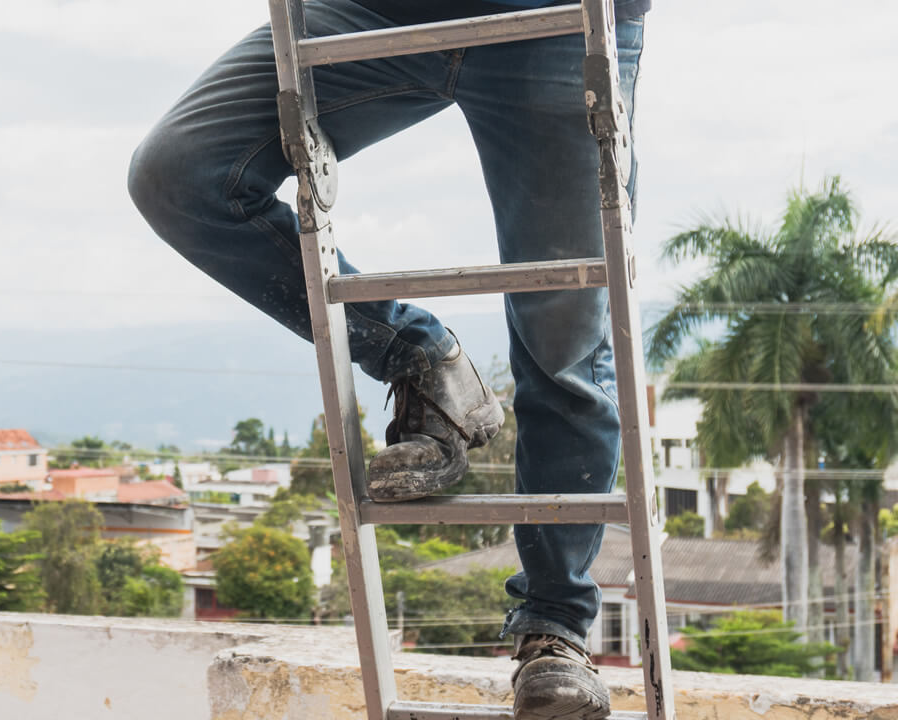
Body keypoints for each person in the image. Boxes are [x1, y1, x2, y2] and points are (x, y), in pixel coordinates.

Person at [127, 1, 648, 718]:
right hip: (373, 10)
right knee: (181, 173)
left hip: (556, 18)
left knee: (564, 332)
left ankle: (554, 631)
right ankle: (416, 354)